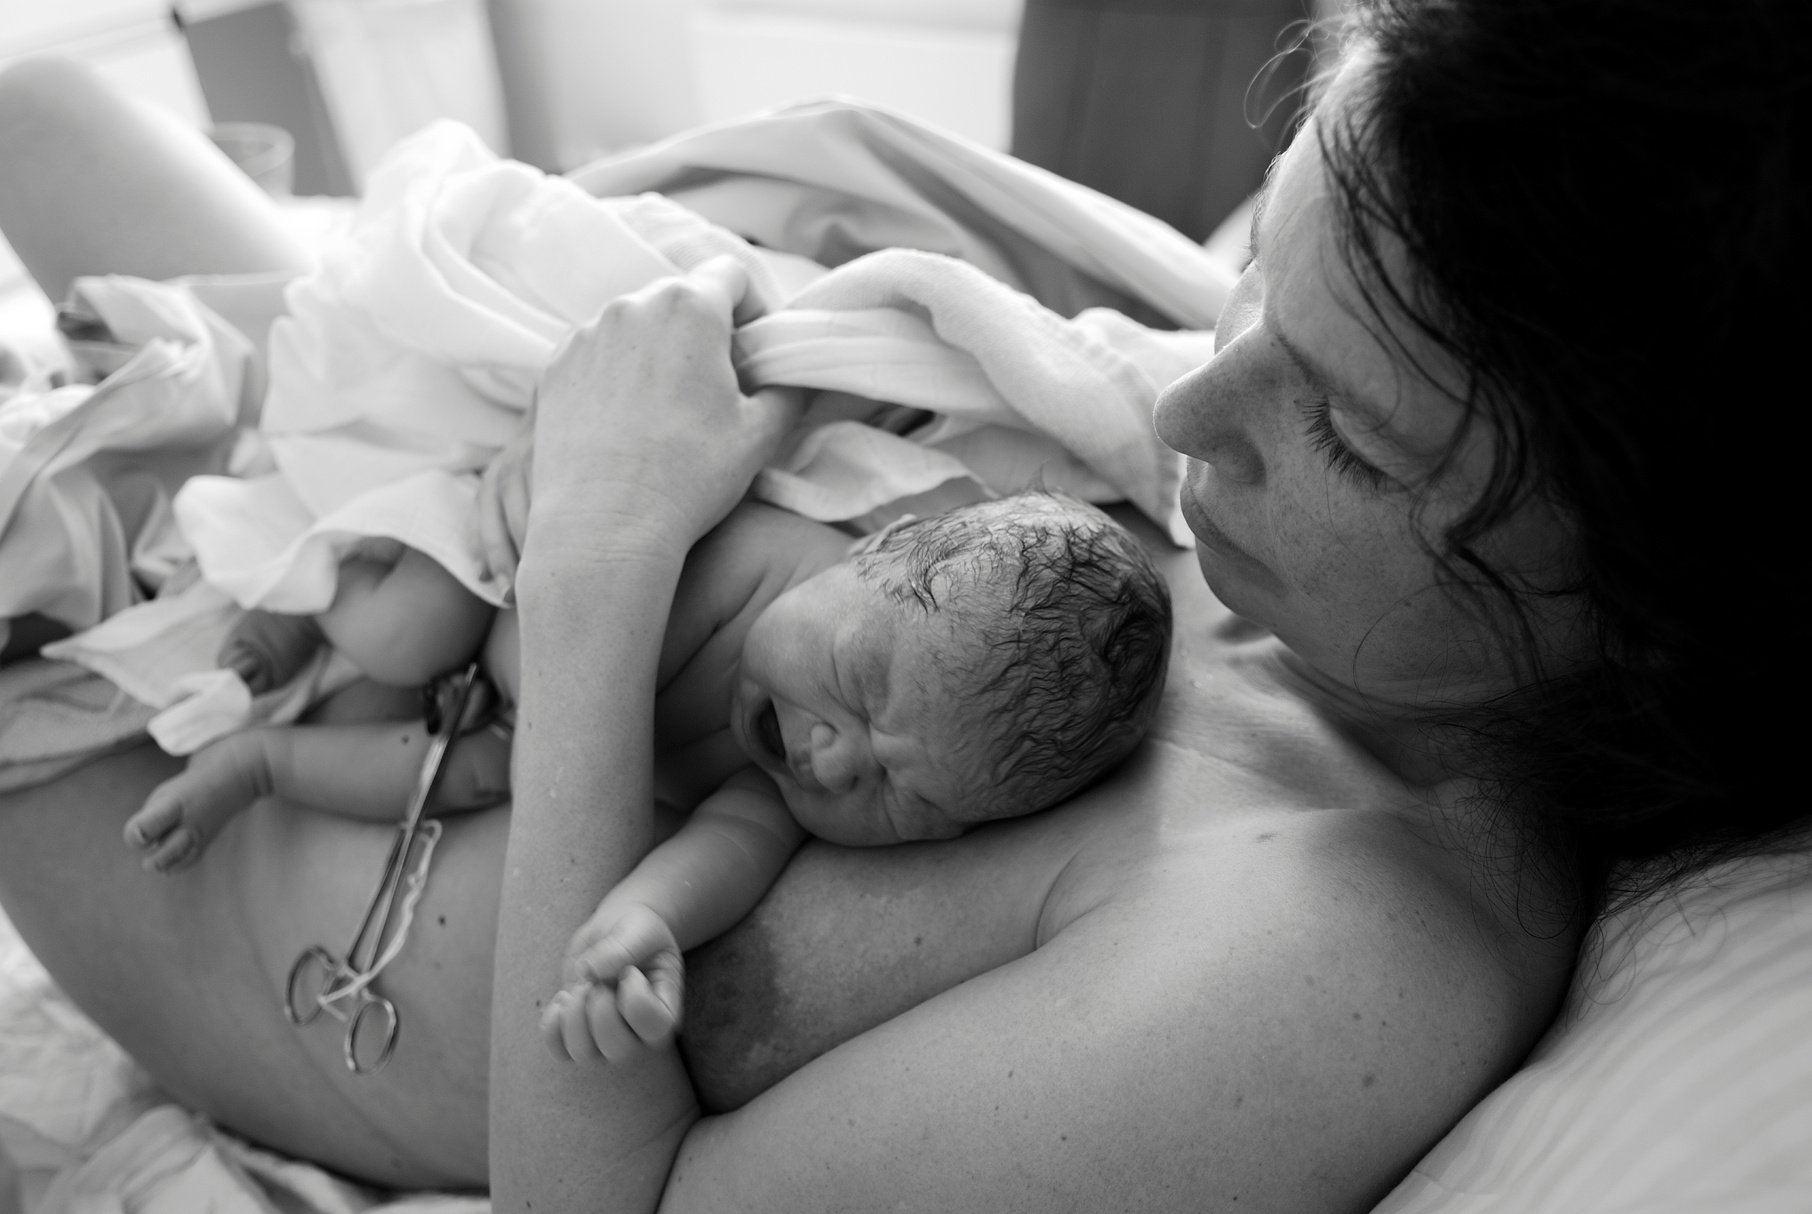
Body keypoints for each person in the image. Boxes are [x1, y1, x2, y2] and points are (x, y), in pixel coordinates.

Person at [0, 0, 1804, 1208]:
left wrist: (604, 561)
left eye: (1336, 423)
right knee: (47, 91)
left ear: (1642, 605)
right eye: (1265, 286)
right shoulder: (1285, 517)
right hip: (369, 500)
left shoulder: (1319, 956)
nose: (1184, 408)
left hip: (100, 725)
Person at [117, 490, 1171, 1068]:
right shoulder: (764, 555)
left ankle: (254, 763)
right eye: (855, 681)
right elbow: (590, 545)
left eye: (909, 795)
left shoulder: (789, 795)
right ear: (876, 545)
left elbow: (721, 853)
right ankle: (295, 594)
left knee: (467, 780)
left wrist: (638, 925)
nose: (831, 755)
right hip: (491, 593)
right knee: (405, 631)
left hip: (503, 728)